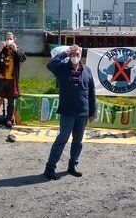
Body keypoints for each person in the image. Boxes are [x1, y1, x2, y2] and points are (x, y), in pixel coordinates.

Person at [44, 44, 96, 180]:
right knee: (63, 138)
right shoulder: (61, 68)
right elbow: (50, 64)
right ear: (69, 55)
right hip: (67, 111)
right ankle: (50, 167)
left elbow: (91, 92)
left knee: (78, 140)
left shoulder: (87, 70)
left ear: (81, 55)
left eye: (77, 54)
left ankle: (73, 165)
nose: (75, 56)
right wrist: (66, 53)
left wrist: (92, 112)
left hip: (83, 112)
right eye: (73, 54)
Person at [0, 32, 26, 128]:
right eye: (7, 38)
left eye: (11, 38)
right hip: (0, 79)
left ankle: (9, 120)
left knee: (11, 101)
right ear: (5, 40)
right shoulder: (2, 49)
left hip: (12, 80)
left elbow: (23, 58)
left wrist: (15, 49)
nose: (9, 40)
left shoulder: (17, 49)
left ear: (14, 39)